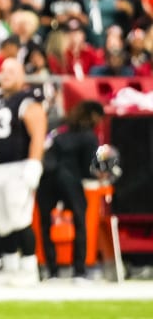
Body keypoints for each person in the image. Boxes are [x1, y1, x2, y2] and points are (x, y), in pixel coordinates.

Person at [0, 58, 47, 285]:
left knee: (20, 217)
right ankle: (10, 268)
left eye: (11, 71)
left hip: (19, 166)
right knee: (2, 220)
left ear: (21, 75)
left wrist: (34, 162)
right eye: (3, 70)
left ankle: (30, 268)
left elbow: (39, 131)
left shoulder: (27, 100)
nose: (6, 74)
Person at [38, 100, 104, 281]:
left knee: (45, 224)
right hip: (70, 179)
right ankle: (79, 271)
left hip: (46, 177)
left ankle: (51, 271)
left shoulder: (56, 126)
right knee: (80, 222)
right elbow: (88, 168)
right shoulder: (89, 136)